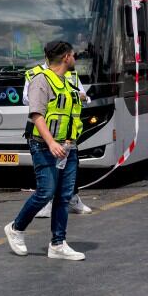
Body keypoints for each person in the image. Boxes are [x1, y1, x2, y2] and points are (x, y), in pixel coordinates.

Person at [3, 40, 86, 261]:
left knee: (64, 196)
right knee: (46, 192)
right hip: (44, 145)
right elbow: (37, 115)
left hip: (68, 146)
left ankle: (58, 244)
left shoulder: (67, 81)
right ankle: (16, 228)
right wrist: (51, 143)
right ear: (66, 57)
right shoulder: (41, 80)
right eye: (73, 55)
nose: (75, 58)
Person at [22, 57, 93, 217]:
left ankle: (72, 199)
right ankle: (46, 203)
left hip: (67, 133)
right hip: (42, 133)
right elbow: (26, 98)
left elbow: (84, 97)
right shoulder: (35, 74)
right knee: (47, 171)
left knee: (69, 170)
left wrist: (77, 96)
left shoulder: (70, 74)